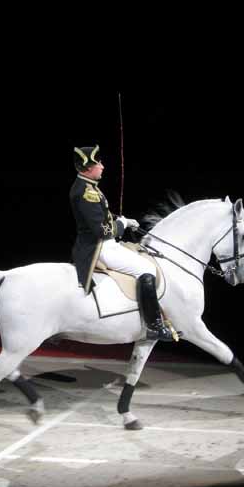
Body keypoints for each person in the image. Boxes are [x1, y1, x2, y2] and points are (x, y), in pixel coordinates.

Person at [69, 145, 175, 341]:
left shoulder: (88, 187)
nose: (102, 166)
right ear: (88, 167)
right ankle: (154, 325)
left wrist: (122, 220)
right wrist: (122, 224)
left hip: (104, 244)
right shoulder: (86, 192)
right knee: (147, 270)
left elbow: (100, 216)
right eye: (98, 163)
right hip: (99, 248)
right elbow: (101, 230)